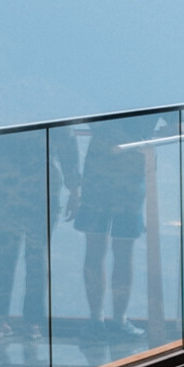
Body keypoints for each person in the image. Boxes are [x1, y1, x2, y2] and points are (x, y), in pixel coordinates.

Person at [0, 129, 80, 341]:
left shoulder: (13, 112)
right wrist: (74, 191)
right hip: (32, 192)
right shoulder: (52, 114)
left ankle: (2, 319)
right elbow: (69, 151)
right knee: (31, 259)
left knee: (11, 259)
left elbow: (67, 149)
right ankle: (29, 322)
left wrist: (74, 190)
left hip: (15, 192)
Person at [73, 115, 159, 342]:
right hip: (125, 176)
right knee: (119, 251)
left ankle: (100, 320)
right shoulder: (153, 90)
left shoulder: (104, 86)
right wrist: (144, 141)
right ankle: (114, 320)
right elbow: (174, 128)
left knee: (101, 250)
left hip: (104, 174)